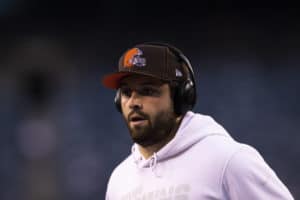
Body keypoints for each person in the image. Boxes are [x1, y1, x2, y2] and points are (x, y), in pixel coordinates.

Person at [101, 42, 294, 200]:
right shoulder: (120, 179)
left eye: (148, 91)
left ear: (181, 97)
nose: (133, 102)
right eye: (126, 93)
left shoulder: (228, 160)